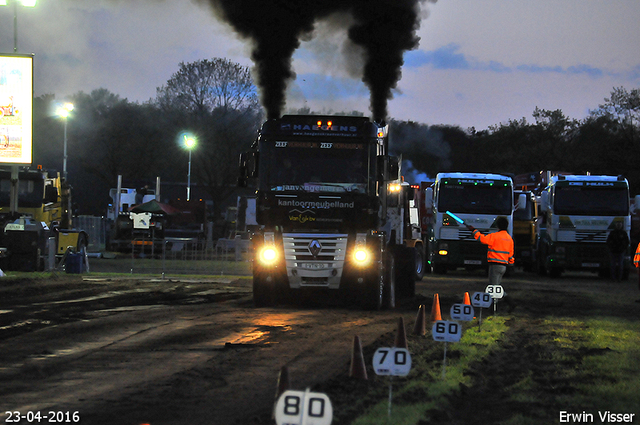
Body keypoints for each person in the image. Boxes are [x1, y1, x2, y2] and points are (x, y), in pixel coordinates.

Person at [467, 216, 516, 312]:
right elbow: (511, 255)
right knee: (496, 286)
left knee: (493, 288)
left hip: (495, 265)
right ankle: (497, 306)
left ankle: (499, 306)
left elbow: (482, 239)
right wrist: (511, 264)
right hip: (503, 266)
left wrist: (474, 231)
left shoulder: (495, 236)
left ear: (497, 225)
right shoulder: (509, 239)